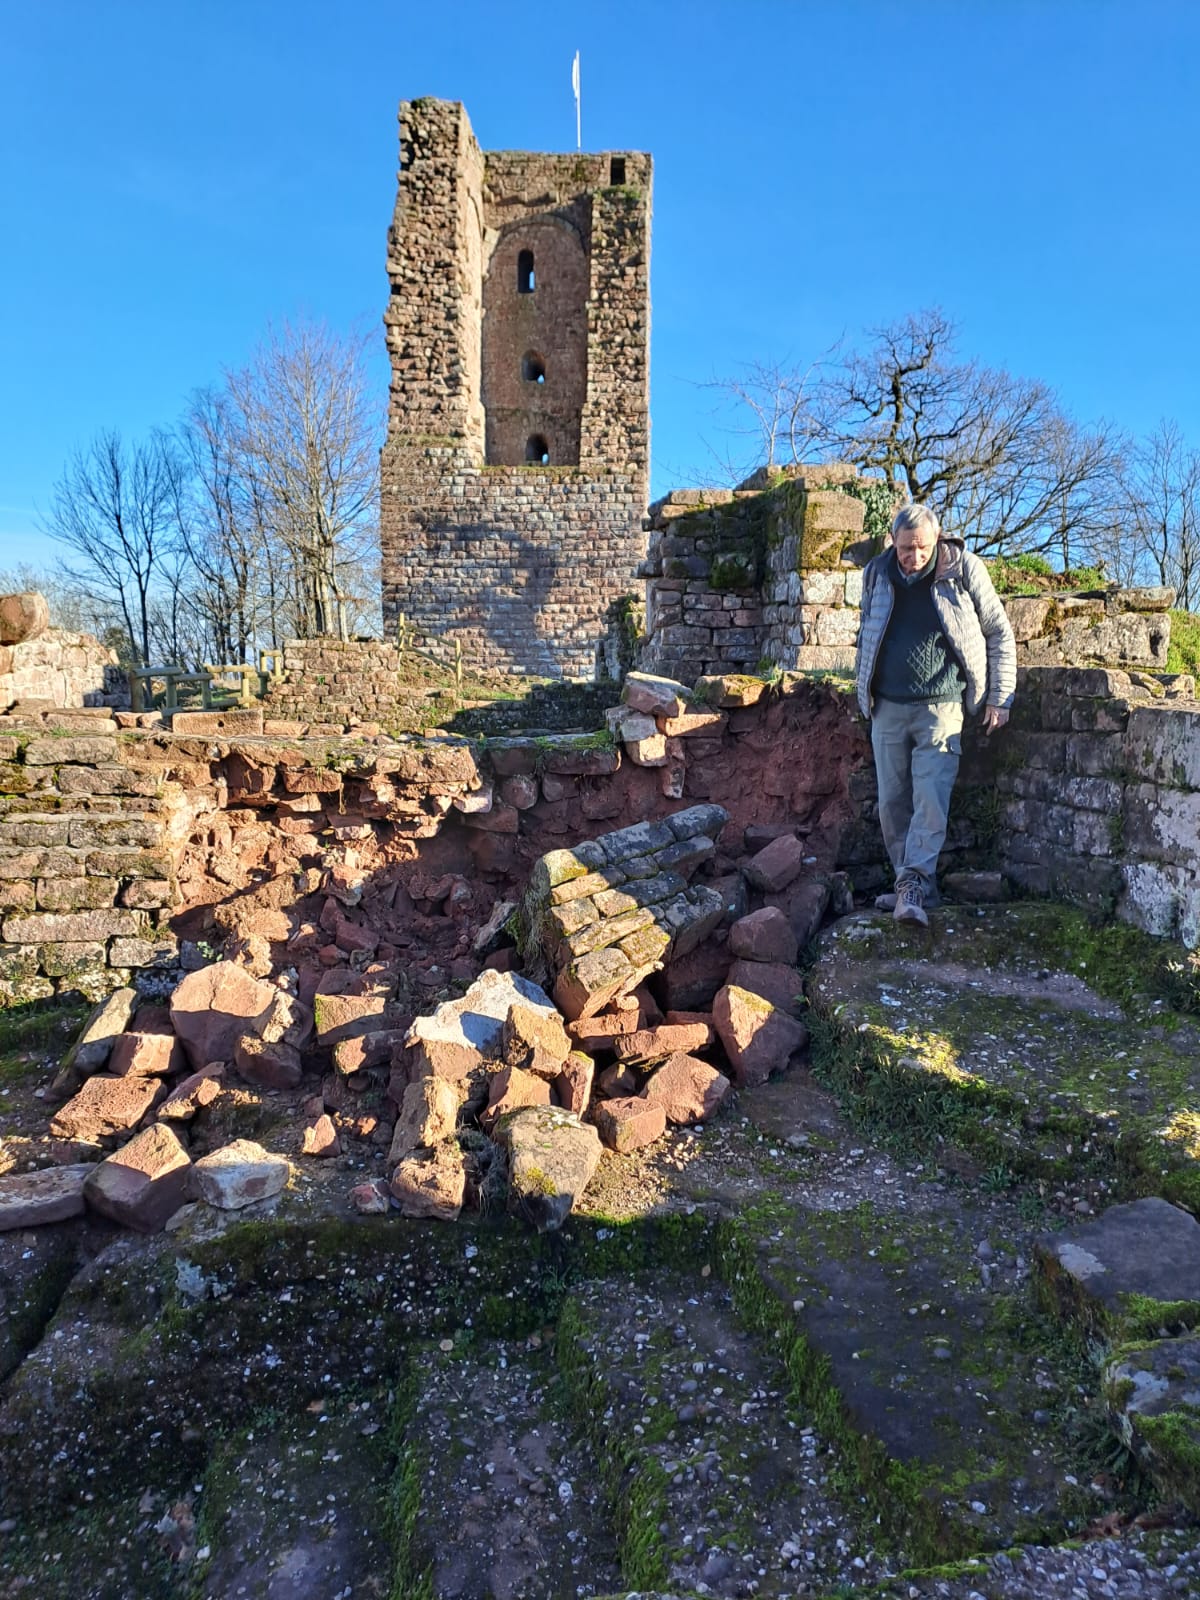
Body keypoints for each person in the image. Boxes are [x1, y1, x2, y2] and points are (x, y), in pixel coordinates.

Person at [855, 503, 1016, 927]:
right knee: (892, 804)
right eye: (906, 548)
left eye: (923, 547)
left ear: (938, 538)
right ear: (893, 541)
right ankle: (913, 889)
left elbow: (998, 631)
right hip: (887, 705)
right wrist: (861, 692)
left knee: (930, 799)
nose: (915, 556)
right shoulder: (876, 573)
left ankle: (911, 887)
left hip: (942, 705)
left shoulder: (963, 568)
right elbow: (865, 633)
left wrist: (1000, 697)